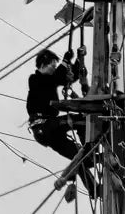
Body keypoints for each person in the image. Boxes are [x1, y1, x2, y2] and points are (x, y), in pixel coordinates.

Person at [26, 48, 96, 198]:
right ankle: (88, 146)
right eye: (51, 64)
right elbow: (55, 78)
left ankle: (94, 189)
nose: (53, 67)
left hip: (49, 131)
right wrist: (65, 61)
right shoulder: (35, 79)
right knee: (81, 121)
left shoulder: (50, 80)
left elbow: (66, 78)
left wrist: (79, 61)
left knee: (79, 157)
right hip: (44, 126)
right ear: (42, 64)